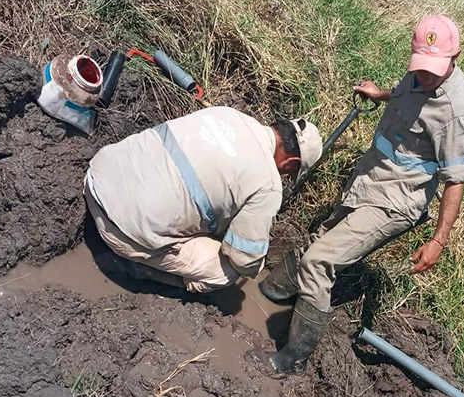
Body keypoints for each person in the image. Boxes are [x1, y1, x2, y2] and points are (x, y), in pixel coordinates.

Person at [251, 15, 464, 374]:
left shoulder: (458, 111)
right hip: (369, 179)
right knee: (321, 237)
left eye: (433, 70)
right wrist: (380, 94)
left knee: (320, 261)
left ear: (455, 57)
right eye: (420, 67)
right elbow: (405, 98)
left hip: (396, 201)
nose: (424, 76)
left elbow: (456, 180)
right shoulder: (419, 73)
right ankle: (272, 291)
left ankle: (292, 358)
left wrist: (438, 240)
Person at [84, 106, 322, 292]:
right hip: (121, 233)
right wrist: (256, 263)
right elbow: (243, 259)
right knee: (228, 272)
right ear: (291, 162)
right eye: (289, 172)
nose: (284, 176)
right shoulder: (269, 185)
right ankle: (140, 271)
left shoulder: (228, 114)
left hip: (96, 180)